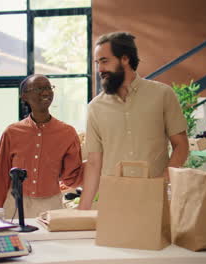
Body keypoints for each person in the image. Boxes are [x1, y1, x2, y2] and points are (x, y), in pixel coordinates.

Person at [78, 32, 189, 210]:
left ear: (125, 59)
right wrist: (82, 209)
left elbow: (181, 145)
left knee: (156, 239)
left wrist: (163, 182)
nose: (99, 69)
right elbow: (93, 162)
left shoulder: (162, 95)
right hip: (113, 201)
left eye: (105, 61)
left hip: (155, 199)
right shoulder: (95, 107)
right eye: (97, 63)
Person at [0, 74, 84, 218]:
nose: (45, 92)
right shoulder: (12, 132)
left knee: (51, 241)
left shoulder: (67, 133)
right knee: (16, 241)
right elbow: (0, 176)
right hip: (15, 203)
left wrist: (96, 167)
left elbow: (71, 176)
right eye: (38, 88)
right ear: (24, 96)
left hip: (51, 205)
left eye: (48, 88)